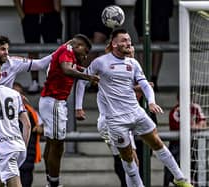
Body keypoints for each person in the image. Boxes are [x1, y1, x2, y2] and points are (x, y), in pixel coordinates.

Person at [81, 28, 192, 187]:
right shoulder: (107, 72)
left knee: (137, 157)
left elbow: (140, 88)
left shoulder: (132, 69)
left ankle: (177, 178)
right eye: (126, 44)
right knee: (129, 160)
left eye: (131, 46)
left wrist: (146, 94)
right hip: (109, 122)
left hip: (131, 117)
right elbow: (117, 91)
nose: (130, 48)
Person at [0, 35, 52, 186]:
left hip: (2, 144)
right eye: (3, 49)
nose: (6, 53)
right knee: (0, 177)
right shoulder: (15, 95)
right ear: (0, 75)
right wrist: (23, 145)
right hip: (15, 143)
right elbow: (27, 124)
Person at [39, 34, 100, 187]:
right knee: (57, 145)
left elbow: (74, 69)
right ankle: (54, 183)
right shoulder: (67, 50)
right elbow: (66, 70)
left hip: (54, 102)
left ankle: (50, 180)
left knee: (53, 143)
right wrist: (88, 77)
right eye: (85, 52)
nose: (85, 56)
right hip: (53, 101)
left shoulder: (70, 56)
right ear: (77, 46)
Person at [75, 45, 139, 187]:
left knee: (129, 161)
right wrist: (78, 107)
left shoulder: (126, 69)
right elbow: (82, 80)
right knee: (130, 160)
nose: (129, 52)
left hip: (120, 120)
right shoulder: (107, 69)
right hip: (111, 122)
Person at [14, 0, 63, 94]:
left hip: (50, 14)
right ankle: (34, 81)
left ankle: (54, 82)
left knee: (53, 50)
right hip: (30, 15)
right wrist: (23, 16)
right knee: (32, 49)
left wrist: (57, 13)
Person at [164, 92, 207, 186]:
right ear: (179, 100)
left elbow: (204, 124)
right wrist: (194, 126)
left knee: (195, 168)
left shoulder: (196, 107)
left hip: (193, 144)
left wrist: (192, 126)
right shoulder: (176, 111)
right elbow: (183, 128)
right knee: (172, 169)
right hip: (177, 145)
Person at [134, 0, 174, 91]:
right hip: (144, 4)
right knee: (142, 39)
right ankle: (142, 78)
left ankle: (154, 79)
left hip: (161, 5)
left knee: (159, 41)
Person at [13, 82, 43, 187]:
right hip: (7, 155)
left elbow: (41, 126)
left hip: (27, 155)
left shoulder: (31, 111)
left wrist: (40, 128)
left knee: (25, 181)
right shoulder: (2, 111)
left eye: (19, 94)